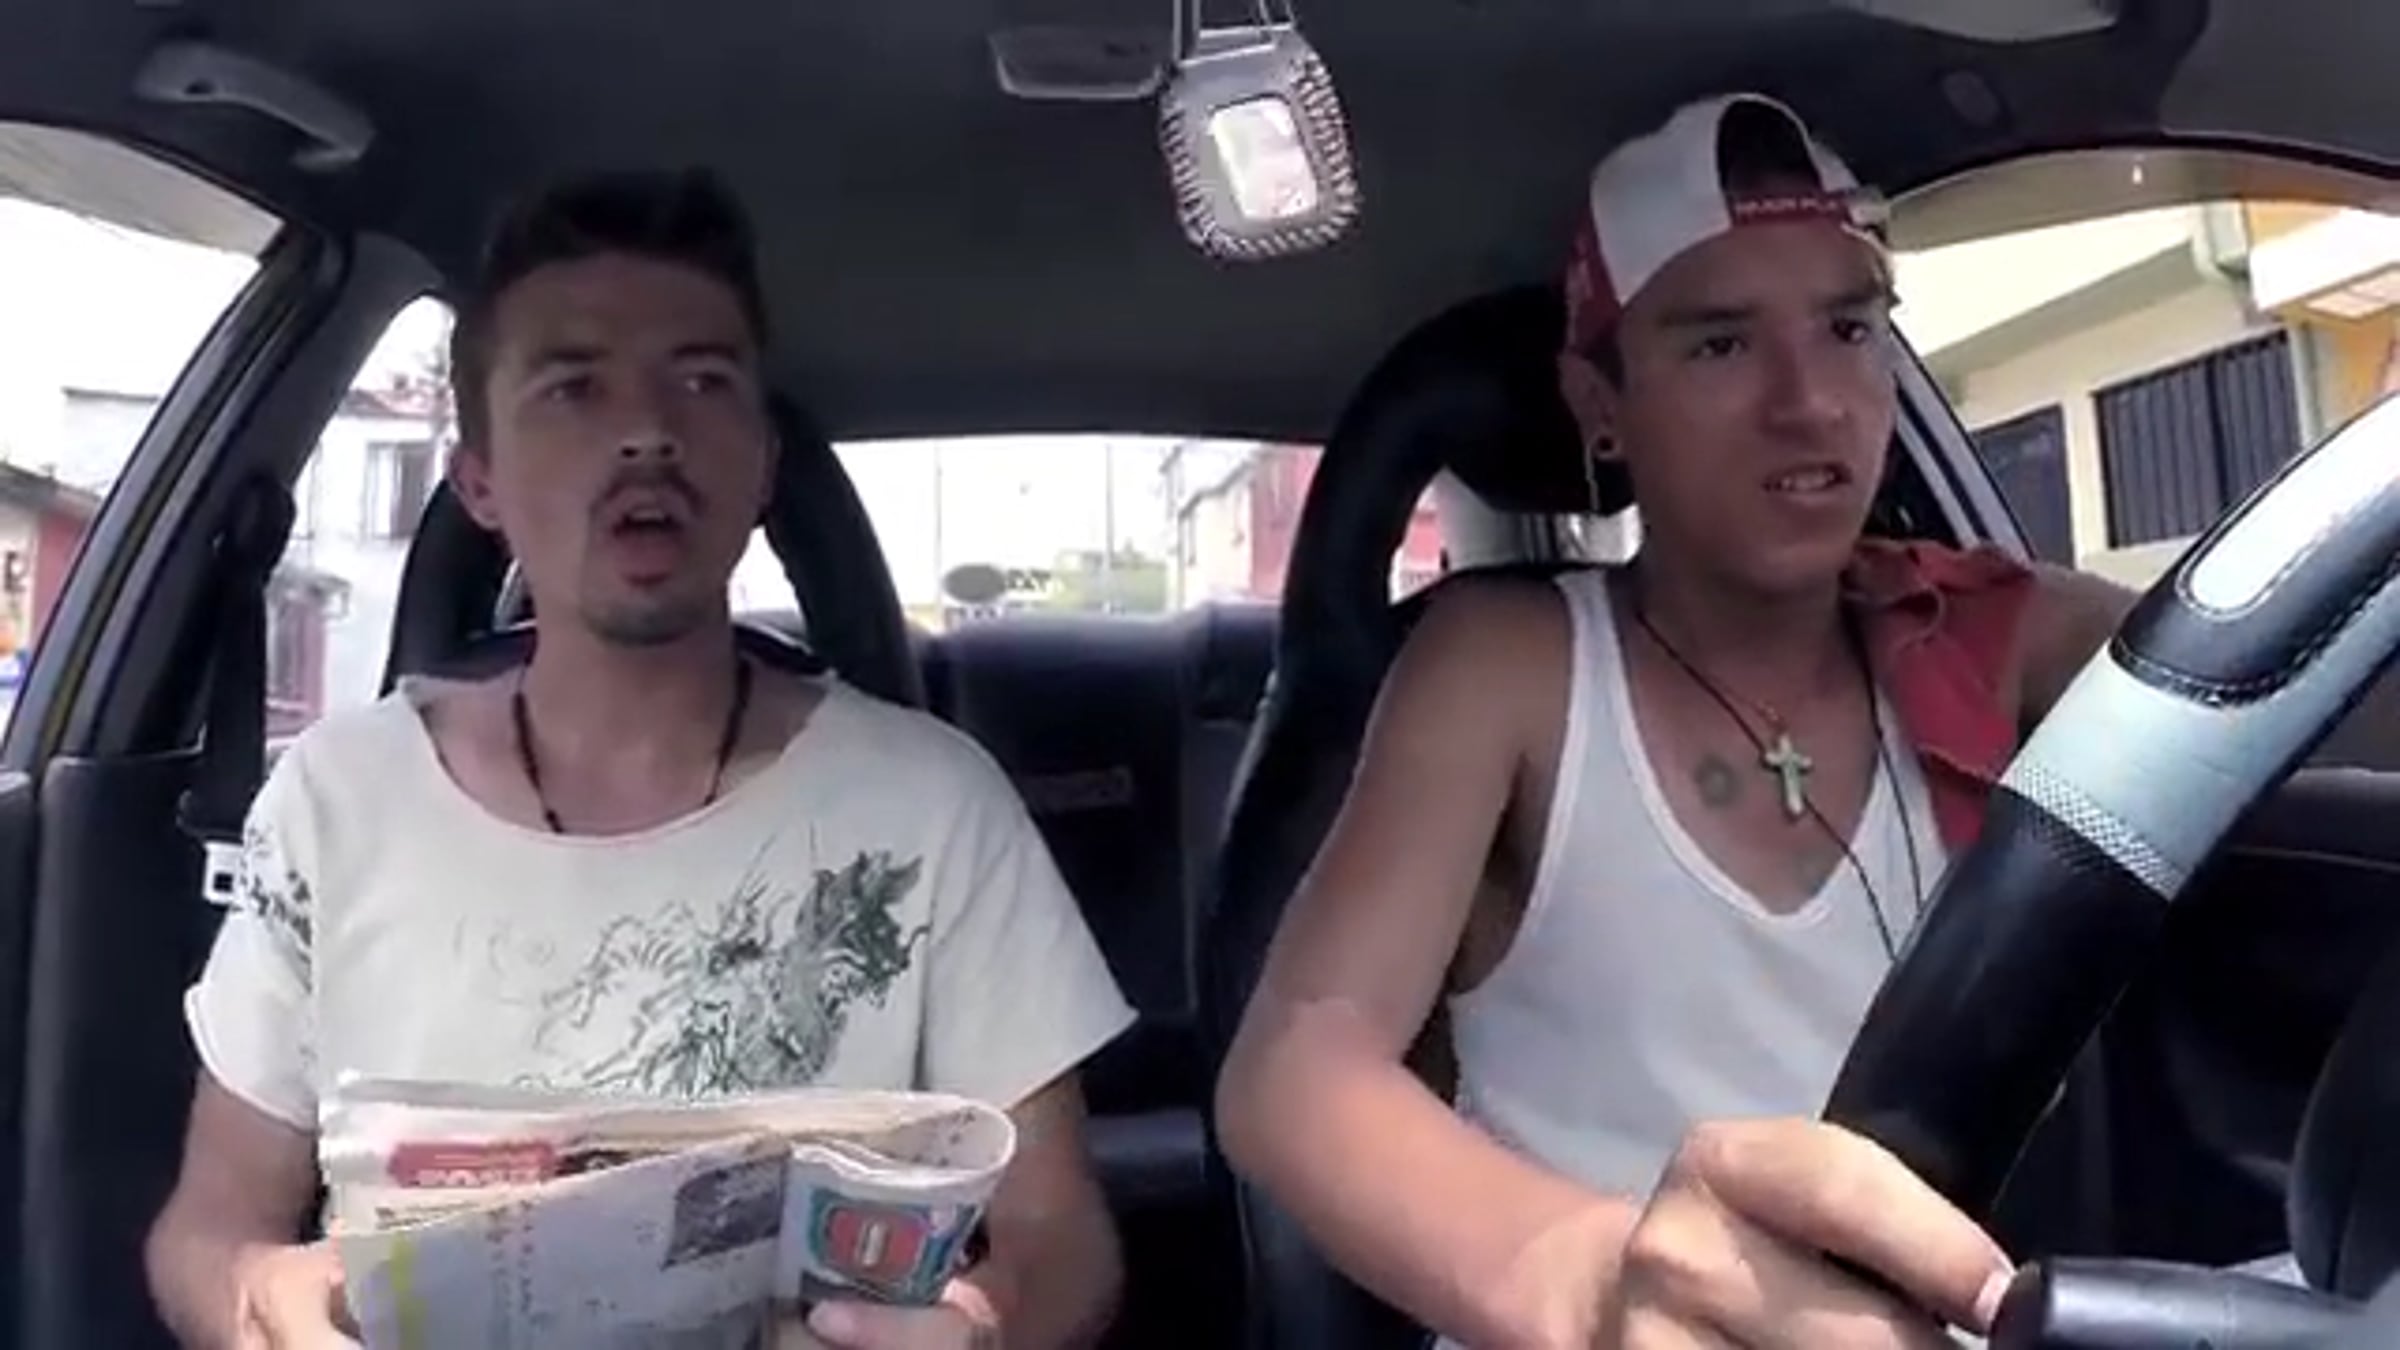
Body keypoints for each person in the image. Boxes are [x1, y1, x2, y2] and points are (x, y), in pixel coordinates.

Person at [144, 167, 1133, 1350]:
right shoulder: (333, 804)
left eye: (703, 381)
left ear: (762, 466)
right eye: (573, 387)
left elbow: (1063, 1238)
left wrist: (978, 1327)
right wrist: (257, 1304)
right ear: (481, 483)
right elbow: (212, 1227)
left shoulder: (935, 805)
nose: (649, 432)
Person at [1214, 92, 2142, 1349]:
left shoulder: (1984, 632)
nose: (1809, 403)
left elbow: (2306, 680)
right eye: (1720, 345)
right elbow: (1297, 1065)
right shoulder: (1508, 664)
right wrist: (1592, 1285)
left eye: (1849, 328)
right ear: (1599, 402)